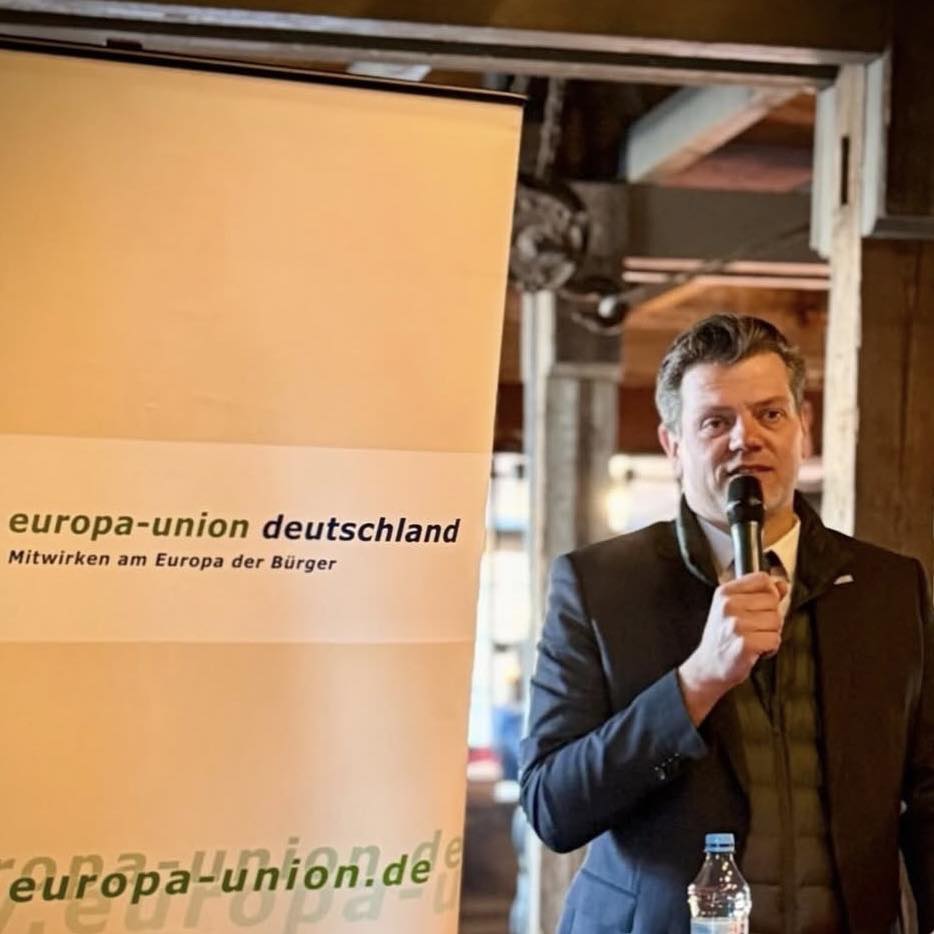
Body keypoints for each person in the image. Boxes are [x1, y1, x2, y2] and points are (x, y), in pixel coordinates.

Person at [519, 314, 933, 934]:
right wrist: (696, 683)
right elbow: (552, 807)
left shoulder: (888, 588)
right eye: (716, 422)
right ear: (673, 447)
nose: (747, 438)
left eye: (771, 414)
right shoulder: (600, 586)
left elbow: (928, 793)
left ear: (804, 429)